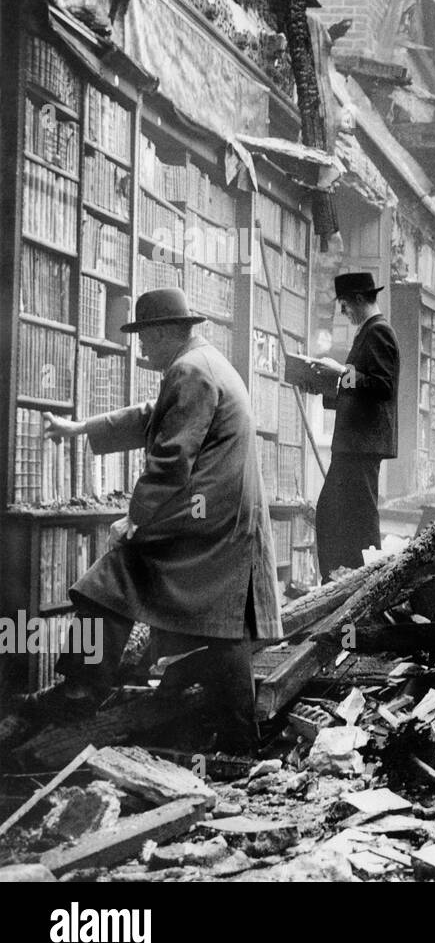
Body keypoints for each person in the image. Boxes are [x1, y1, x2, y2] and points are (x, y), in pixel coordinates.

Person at [42, 287, 281, 750]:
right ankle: (241, 742)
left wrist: (137, 519)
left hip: (208, 520)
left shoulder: (191, 370)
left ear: (169, 331)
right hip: (225, 518)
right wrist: (82, 428)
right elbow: (154, 416)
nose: (142, 347)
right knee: (225, 625)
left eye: (147, 337)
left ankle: (78, 695)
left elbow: (171, 458)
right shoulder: (202, 362)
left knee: (107, 582)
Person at [313, 271, 400, 578]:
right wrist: (324, 385)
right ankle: (342, 578)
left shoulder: (378, 332)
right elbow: (362, 390)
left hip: (361, 446)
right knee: (337, 515)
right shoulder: (369, 331)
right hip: (355, 445)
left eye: (345, 304)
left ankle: (366, 581)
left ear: (360, 299)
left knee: (357, 518)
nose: (343, 312)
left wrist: (340, 373)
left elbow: (382, 386)